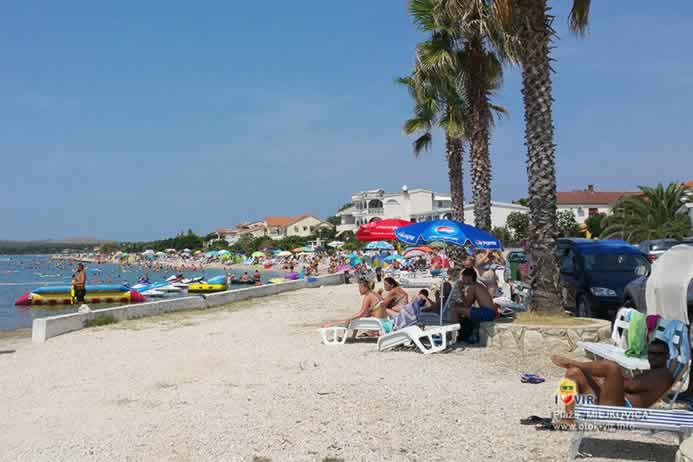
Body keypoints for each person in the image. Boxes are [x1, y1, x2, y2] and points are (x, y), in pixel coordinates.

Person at [552, 339, 673, 420]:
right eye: (652, 353)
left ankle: (573, 362)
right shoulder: (652, 372)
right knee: (573, 373)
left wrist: (611, 380)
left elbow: (631, 386)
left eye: (659, 354)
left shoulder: (663, 374)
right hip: (615, 401)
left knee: (611, 367)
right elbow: (632, 385)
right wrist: (608, 382)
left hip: (624, 410)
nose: (654, 357)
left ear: (667, 355)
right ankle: (568, 418)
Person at [323, 279, 390, 330]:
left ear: (366, 288)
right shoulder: (373, 294)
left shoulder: (368, 296)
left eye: (360, 288)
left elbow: (361, 313)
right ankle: (331, 323)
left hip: (377, 321)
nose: (359, 290)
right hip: (383, 319)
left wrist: (349, 319)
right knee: (350, 318)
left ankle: (330, 324)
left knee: (348, 319)